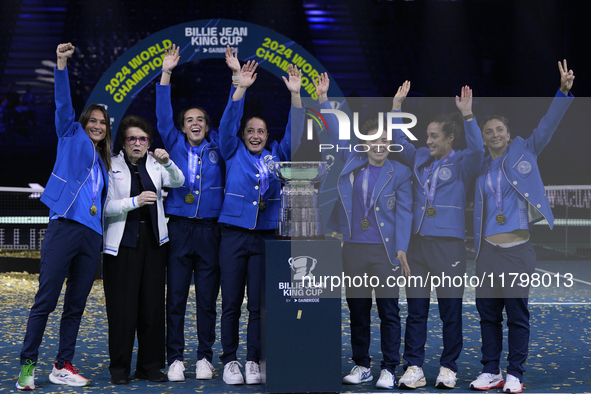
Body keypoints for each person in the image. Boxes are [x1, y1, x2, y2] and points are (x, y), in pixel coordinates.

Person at [469, 60, 574, 394]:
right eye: (489, 131)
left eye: (500, 129)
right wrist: (468, 116)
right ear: (484, 138)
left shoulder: (526, 150)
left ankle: (514, 372)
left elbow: (547, 125)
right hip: (487, 252)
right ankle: (491, 371)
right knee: (487, 314)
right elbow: (471, 144)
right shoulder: (480, 165)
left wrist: (562, 92)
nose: (495, 134)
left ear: (509, 134)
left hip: (517, 252)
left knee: (516, 315)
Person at [16, 42, 112, 390]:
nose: (98, 126)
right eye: (93, 120)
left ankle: (62, 365)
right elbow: (62, 104)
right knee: (46, 300)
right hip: (63, 228)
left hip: (92, 236)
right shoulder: (70, 135)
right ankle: (27, 367)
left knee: (75, 306)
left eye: (103, 123)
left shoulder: (106, 163)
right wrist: (60, 64)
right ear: (84, 122)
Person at [317, 74, 413, 390]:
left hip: (385, 252)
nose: (381, 145)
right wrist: (322, 100)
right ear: (366, 142)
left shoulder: (400, 171)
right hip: (353, 248)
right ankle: (362, 365)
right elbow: (334, 131)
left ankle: (388, 367)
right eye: (375, 140)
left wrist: (401, 248)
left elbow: (405, 211)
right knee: (358, 311)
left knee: (389, 311)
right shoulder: (352, 161)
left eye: (385, 140)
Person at [217, 46, 305, 385]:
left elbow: (295, 138)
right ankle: (229, 360)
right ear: (243, 135)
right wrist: (240, 87)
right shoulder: (231, 150)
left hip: (267, 234)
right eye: (251, 131)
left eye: (261, 132)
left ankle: (253, 360)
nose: (255, 135)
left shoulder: (276, 156)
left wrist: (295, 97)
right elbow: (227, 123)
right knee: (231, 302)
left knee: (258, 304)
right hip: (234, 234)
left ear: (268, 137)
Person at [393, 83, 484, 389]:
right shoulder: (419, 157)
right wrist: (396, 108)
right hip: (417, 244)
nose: (427, 140)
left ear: (450, 138)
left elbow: (478, 149)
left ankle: (448, 366)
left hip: (449, 245)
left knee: (450, 310)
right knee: (416, 309)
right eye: (427, 135)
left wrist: (468, 115)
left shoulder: (463, 163)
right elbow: (398, 141)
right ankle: (414, 367)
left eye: (434, 136)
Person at [155, 44, 226, 382]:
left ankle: (204, 357)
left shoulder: (219, 149)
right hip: (180, 228)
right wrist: (166, 73)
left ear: (207, 126)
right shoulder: (173, 142)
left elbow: (232, 122)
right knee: (178, 296)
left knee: (207, 299)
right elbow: (162, 114)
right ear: (181, 128)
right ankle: (175, 359)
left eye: (200, 120)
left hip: (210, 230)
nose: (195, 124)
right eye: (189, 121)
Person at [102, 115, 184, 384]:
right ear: (123, 142)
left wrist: (167, 161)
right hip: (122, 247)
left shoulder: (156, 164)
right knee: (122, 311)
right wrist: (134, 201)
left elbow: (179, 180)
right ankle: (120, 369)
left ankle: (149, 366)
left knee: (151, 308)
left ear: (149, 142)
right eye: (132, 139)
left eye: (143, 139)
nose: (137, 143)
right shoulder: (111, 165)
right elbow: (107, 208)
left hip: (153, 244)